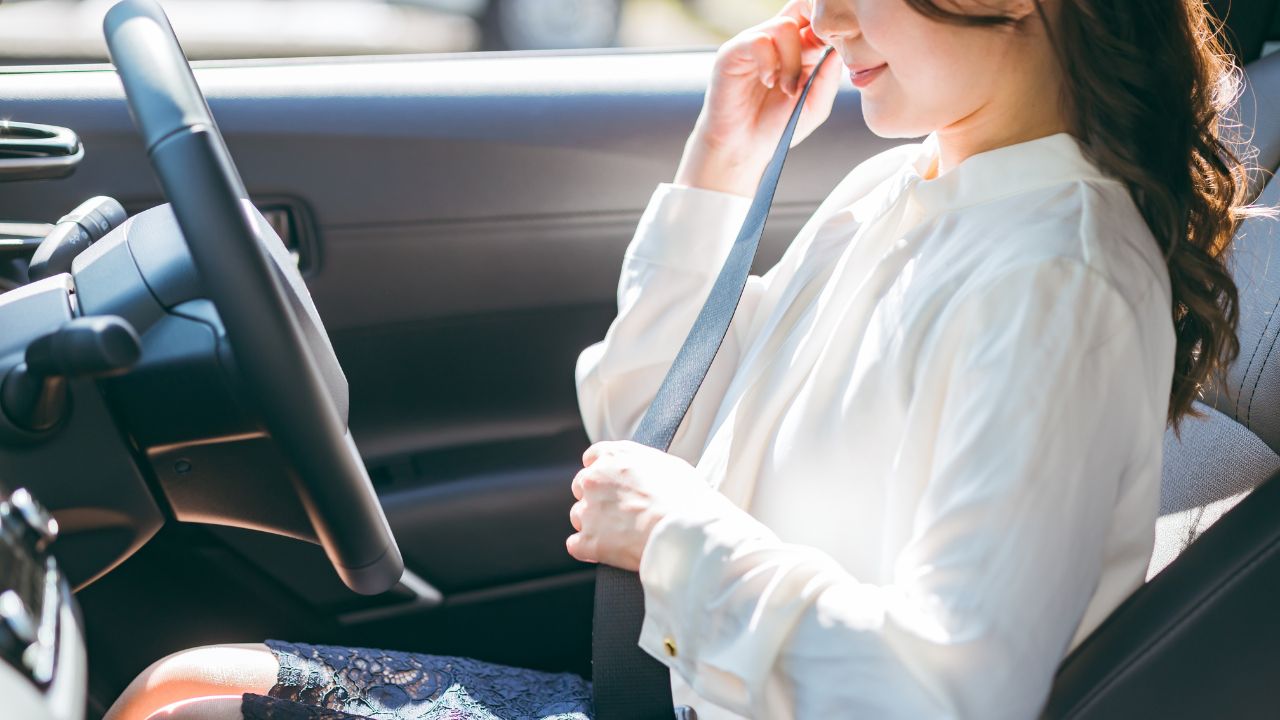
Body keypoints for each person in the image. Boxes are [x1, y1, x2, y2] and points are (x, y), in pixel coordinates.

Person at [104, 0, 1268, 718]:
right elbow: (637, 423)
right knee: (182, 686)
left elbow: (948, 693)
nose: (824, 17)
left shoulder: (1051, 275)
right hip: (678, 695)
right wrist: (720, 165)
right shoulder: (903, 187)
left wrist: (677, 537)